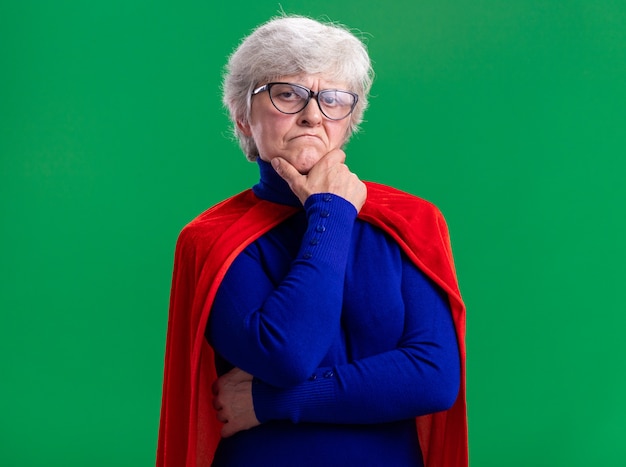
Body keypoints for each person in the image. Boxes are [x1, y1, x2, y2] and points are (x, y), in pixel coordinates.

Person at [157, 15, 467, 467]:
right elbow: (287, 354)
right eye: (287, 94)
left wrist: (266, 403)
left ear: (349, 120)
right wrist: (332, 213)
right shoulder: (211, 240)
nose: (312, 114)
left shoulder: (410, 221)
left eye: (332, 99)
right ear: (243, 117)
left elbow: (433, 377)